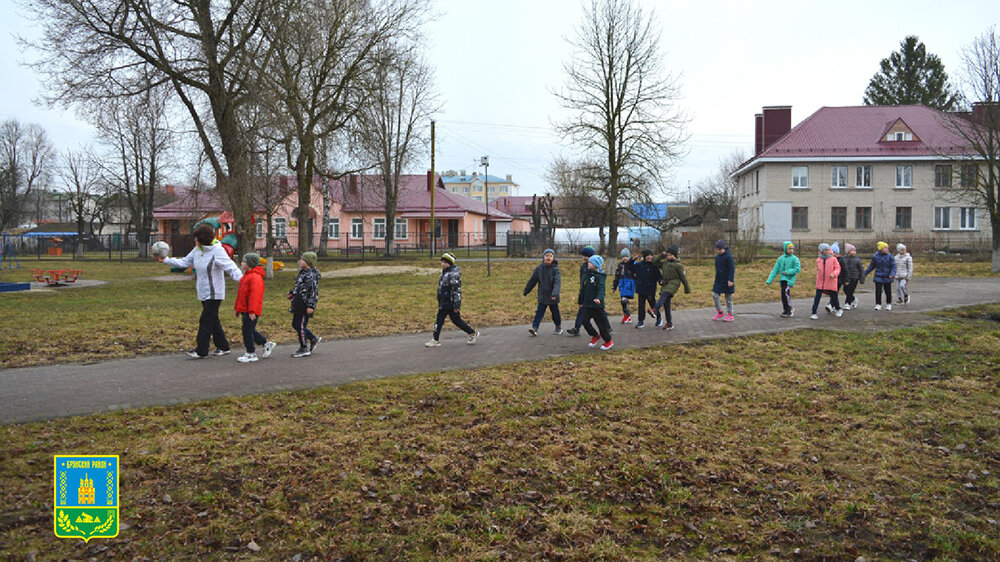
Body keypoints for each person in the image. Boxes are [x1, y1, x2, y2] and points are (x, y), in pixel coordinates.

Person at [158, 222, 243, 359]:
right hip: (203, 291)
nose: (195, 241)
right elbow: (184, 262)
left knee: (205, 320)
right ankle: (223, 346)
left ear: (203, 239)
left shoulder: (217, 251)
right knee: (213, 320)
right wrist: (166, 260)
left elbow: (231, 267)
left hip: (215, 293)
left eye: (196, 238)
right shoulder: (198, 250)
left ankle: (201, 350)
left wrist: (245, 281)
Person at [426, 253, 479, 347]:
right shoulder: (445, 273)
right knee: (442, 320)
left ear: (449, 263)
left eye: (445, 262)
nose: (442, 264)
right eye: (442, 262)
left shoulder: (453, 275)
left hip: (450, 303)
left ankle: (436, 339)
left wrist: (456, 305)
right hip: (444, 302)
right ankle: (472, 333)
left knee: (453, 320)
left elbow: (456, 291)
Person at [233, 252, 275, 363]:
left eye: (244, 261)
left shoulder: (255, 277)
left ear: (250, 263)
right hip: (246, 309)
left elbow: (255, 296)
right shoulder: (247, 276)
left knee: (247, 331)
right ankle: (266, 344)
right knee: (249, 330)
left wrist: (252, 311)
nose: (242, 263)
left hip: (251, 310)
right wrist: (238, 309)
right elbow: (241, 294)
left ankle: (251, 353)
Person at [566, 246, 611, 336]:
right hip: (586, 292)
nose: (584, 258)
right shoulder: (584, 267)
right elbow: (582, 278)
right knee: (582, 310)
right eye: (583, 255)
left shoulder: (596, 271)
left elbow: (600, 285)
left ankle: (607, 327)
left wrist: (598, 296)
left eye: (586, 256)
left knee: (600, 312)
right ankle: (577, 328)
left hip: (594, 294)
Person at [288, 251, 322, 357]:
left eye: (302, 260)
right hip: (298, 303)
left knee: (301, 325)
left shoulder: (311, 275)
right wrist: (292, 293)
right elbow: (299, 286)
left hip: (305, 304)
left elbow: (313, 292)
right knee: (295, 324)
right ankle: (312, 338)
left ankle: (304, 348)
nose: (300, 261)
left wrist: (311, 305)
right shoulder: (302, 272)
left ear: (308, 262)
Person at [523, 248, 562, 335]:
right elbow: (532, 280)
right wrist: (527, 290)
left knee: (555, 312)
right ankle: (535, 328)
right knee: (539, 312)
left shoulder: (556, 270)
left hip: (553, 296)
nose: (548, 257)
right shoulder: (539, 269)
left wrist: (555, 293)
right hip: (543, 295)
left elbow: (557, 282)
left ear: (553, 258)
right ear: (543, 257)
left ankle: (558, 326)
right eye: (547, 255)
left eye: (550, 256)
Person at [651, 244, 691, 330]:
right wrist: (662, 255)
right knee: (666, 305)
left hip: (674, 284)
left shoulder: (678, 265)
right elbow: (655, 262)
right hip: (666, 284)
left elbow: (683, 278)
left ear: (675, 255)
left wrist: (687, 288)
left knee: (664, 294)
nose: (669, 256)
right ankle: (669, 323)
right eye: (668, 255)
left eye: (671, 255)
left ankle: (655, 309)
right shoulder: (665, 263)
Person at [578, 255, 613, 350]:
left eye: (590, 262)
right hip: (587, 304)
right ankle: (594, 335)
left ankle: (608, 341)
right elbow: (583, 289)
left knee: (601, 325)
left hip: (597, 305)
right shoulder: (587, 275)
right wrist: (580, 301)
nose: (588, 264)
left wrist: (599, 298)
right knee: (584, 321)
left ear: (596, 265)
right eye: (589, 262)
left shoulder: (600, 277)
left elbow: (601, 289)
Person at [765, 241, 801, 318]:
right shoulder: (780, 259)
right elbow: (775, 270)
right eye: (789, 249)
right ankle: (785, 309)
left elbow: (797, 269)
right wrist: (769, 280)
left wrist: (787, 272)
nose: (791, 250)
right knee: (783, 295)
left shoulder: (795, 259)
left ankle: (790, 309)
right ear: (785, 249)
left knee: (786, 293)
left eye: (792, 249)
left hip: (789, 280)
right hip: (783, 280)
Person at [810, 243, 842, 320]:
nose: (827, 251)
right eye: (826, 250)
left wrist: (834, 274)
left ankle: (838, 309)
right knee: (817, 297)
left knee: (834, 296)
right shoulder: (819, 260)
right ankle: (814, 312)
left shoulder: (833, 259)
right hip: (820, 282)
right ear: (822, 251)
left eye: (828, 250)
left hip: (831, 281)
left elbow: (838, 268)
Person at [633, 249, 663, 328]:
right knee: (641, 306)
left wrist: (660, 281)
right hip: (641, 288)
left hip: (651, 289)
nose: (649, 257)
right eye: (647, 255)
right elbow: (630, 268)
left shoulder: (654, 266)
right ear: (644, 256)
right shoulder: (639, 265)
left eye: (651, 255)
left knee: (653, 304)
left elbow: (659, 276)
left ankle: (659, 318)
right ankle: (641, 321)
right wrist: (632, 260)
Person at [863, 241, 897, 311]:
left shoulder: (890, 256)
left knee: (888, 291)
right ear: (881, 249)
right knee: (878, 291)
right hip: (878, 276)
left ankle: (888, 304)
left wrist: (892, 274)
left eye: (887, 248)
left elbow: (894, 266)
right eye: (885, 248)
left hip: (887, 276)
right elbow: (871, 266)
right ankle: (878, 304)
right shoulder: (875, 257)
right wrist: (864, 274)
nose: (887, 249)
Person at [712, 239, 736, 322]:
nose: (718, 251)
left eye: (720, 249)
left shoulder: (729, 257)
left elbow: (732, 269)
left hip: (727, 280)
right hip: (719, 280)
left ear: (724, 248)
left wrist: (730, 280)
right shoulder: (717, 257)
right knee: (715, 295)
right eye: (717, 249)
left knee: (728, 297)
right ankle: (720, 312)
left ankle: (730, 314)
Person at [612, 248, 636, 324]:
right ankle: (627, 316)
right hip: (622, 284)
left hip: (629, 283)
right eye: (623, 257)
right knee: (624, 300)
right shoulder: (620, 265)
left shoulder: (633, 264)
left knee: (624, 300)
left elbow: (637, 273)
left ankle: (627, 316)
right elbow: (617, 276)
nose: (624, 258)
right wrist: (614, 286)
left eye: (626, 256)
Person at [841, 243, 864, 309]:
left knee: (850, 290)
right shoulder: (844, 259)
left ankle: (847, 303)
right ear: (848, 252)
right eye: (852, 250)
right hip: (846, 278)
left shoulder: (857, 260)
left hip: (855, 277)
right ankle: (853, 299)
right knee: (845, 290)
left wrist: (862, 278)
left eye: (855, 250)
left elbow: (861, 270)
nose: (854, 252)